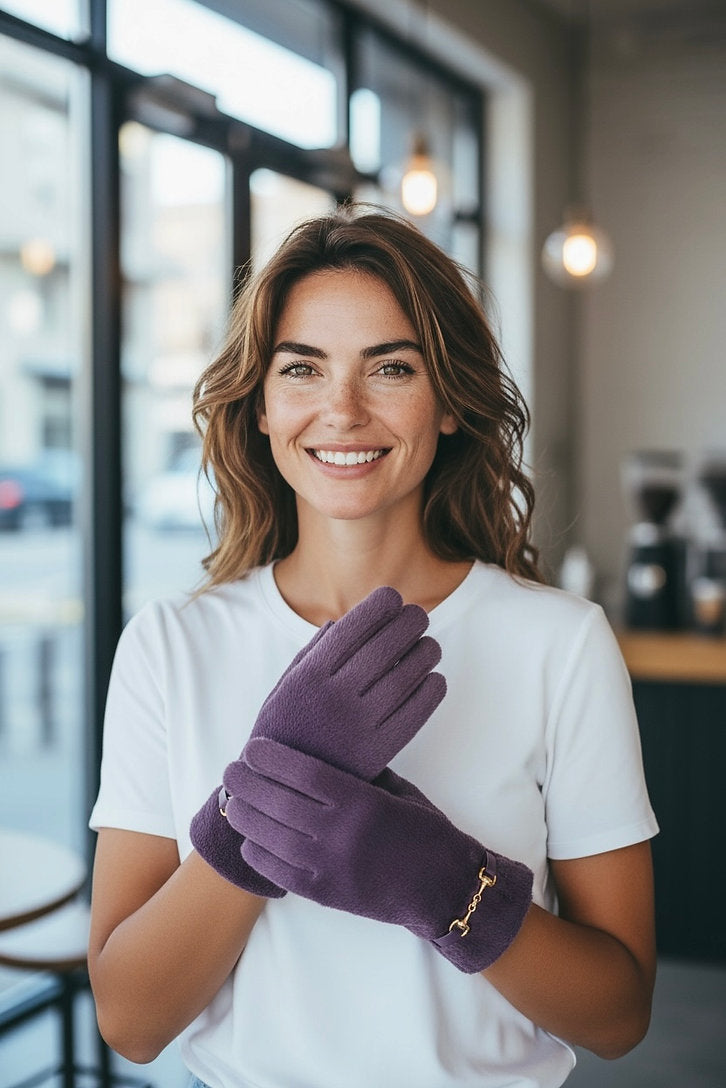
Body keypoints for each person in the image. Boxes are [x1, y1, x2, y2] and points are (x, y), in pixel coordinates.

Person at [88, 205, 658, 1088]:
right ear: (263, 405)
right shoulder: (170, 645)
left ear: (450, 403)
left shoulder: (562, 644)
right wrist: (267, 797)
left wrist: (443, 882)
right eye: (302, 368)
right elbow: (130, 1021)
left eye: (391, 367)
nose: (343, 410)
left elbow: (618, 1016)